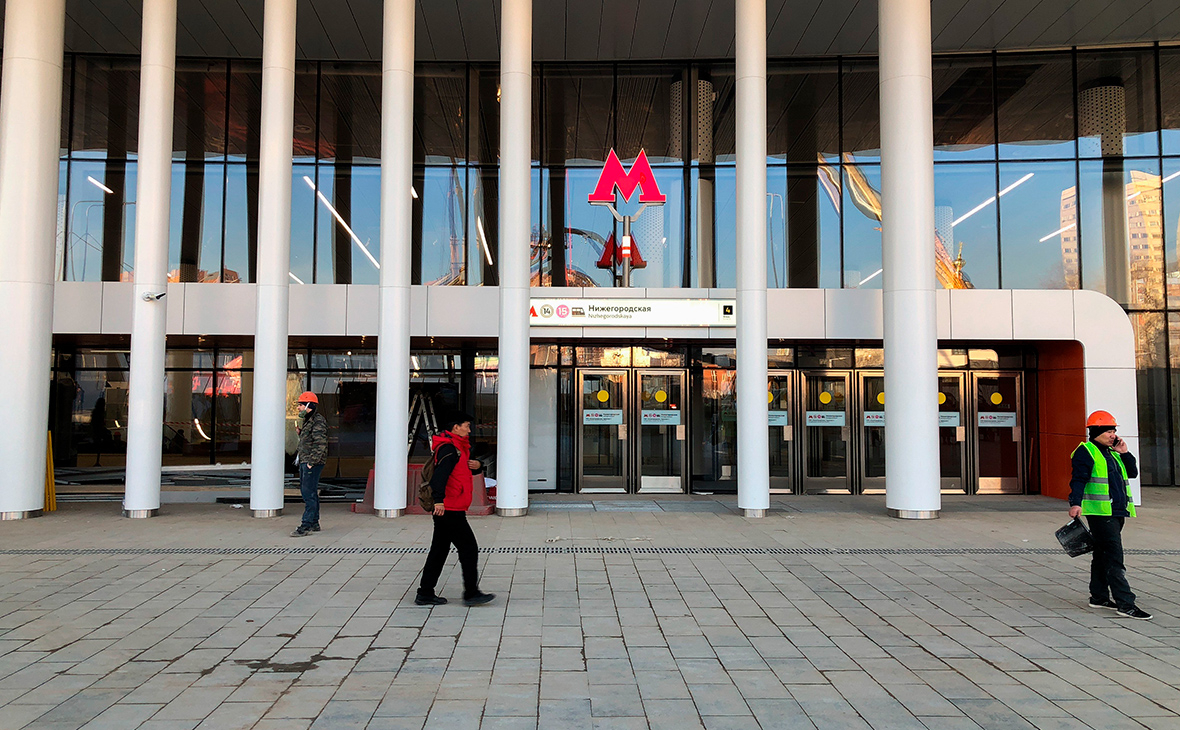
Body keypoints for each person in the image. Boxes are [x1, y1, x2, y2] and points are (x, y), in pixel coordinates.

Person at [1068, 410, 1151, 620]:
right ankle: (1126, 603)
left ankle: (1099, 597)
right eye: (1108, 430)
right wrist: (1075, 503)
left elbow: (1132, 473)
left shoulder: (1113, 453)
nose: (1113, 434)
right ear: (1096, 431)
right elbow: (1078, 479)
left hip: (1117, 511)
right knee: (1114, 556)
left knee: (1102, 554)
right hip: (1100, 512)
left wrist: (1124, 452)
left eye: (1114, 430)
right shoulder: (1086, 451)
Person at [416, 413, 495, 607]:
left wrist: (478, 466)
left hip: (451, 506)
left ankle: (425, 592)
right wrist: (438, 501)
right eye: (466, 426)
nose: (469, 430)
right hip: (449, 508)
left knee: (439, 550)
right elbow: (439, 478)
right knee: (468, 548)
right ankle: (471, 593)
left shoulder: (459, 448)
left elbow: (461, 473)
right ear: (455, 427)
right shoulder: (450, 449)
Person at [291, 391, 328, 537]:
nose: (299, 408)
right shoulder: (309, 420)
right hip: (307, 460)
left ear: (309, 405)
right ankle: (314, 523)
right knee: (310, 492)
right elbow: (312, 440)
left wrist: (311, 463)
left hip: (311, 462)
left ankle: (305, 525)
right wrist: (301, 433)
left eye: (300, 405)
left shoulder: (317, 421)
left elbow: (320, 443)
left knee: (308, 494)